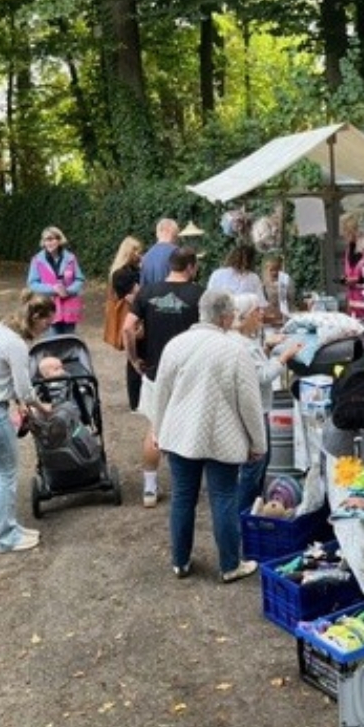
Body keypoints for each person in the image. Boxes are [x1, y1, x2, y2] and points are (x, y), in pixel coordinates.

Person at [152, 290, 267, 583]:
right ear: (227, 317)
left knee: (182, 497)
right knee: (223, 497)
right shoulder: (235, 351)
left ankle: (180, 561)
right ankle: (230, 565)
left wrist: (158, 430)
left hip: (179, 434)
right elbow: (250, 404)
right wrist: (258, 443)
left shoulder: (175, 345)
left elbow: (161, 392)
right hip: (223, 435)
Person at [0, 290, 56, 553]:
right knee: (6, 474)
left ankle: (5, 527)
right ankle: (4, 538)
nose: (47, 330)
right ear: (35, 317)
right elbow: (25, 390)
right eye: (46, 324)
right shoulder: (15, 344)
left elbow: (2, 378)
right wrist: (42, 408)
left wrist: (19, 401)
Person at [123, 246, 204, 508]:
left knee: (155, 428)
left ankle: (149, 488)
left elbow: (127, 328)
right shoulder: (199, 294)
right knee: (193, 424)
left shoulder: (148, 291)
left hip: (156, 370)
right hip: (191, 372)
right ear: (191, 267)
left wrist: (134, 359)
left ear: (171, 265)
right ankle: (189, 485)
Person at [230, 293, 304, 516]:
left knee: (260, 463)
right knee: (255, 465)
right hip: (255, 410)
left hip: (250, 409)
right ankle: (244, 516)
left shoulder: (240, 341)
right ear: (245, 316)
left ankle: (252, 511)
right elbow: (262, 375)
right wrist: (284, 356)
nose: (261, 314)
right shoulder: (243, 344)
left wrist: (268, 350)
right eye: (257, 311)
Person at [104, 235, 144, 410]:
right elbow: (136, 295)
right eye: (135, 251)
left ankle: (138, 399)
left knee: (136, 357)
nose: (138, 254)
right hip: (132, 319)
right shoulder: (122, 274)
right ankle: (135, 401)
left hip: (134, 318)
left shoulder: (128, 271)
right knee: (133, 357)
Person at [26, 227, 85, 335]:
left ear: (59, 240)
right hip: (47, 307)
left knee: (69, 341)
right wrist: (53, 289)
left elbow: (79, 279)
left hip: (69, 307)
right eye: (46, 240)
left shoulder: (71, 258)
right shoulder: (37, 260)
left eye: (52, 239)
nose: (49, 243)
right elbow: (32, 284)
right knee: (52, 342)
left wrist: (68, 290)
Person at [340, 212, 364, 319]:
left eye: (345, 230)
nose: (342, 234)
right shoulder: (349, 249)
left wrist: (355, 280)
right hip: (353, 305)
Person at [140, 218, 181, 286]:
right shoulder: (177, 252)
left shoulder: (146, 257)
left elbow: (143, 288)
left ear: (157, 233)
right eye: (176, 233)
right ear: (172, 232)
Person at [261, 254, 296, 328]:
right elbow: (263, 302)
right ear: (266, 270)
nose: (274, 272)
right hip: (272, 317)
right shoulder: (264, 284)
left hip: (287, 314)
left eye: (276, 269)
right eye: (271, 270)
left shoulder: (286, 280)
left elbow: (291, 297)